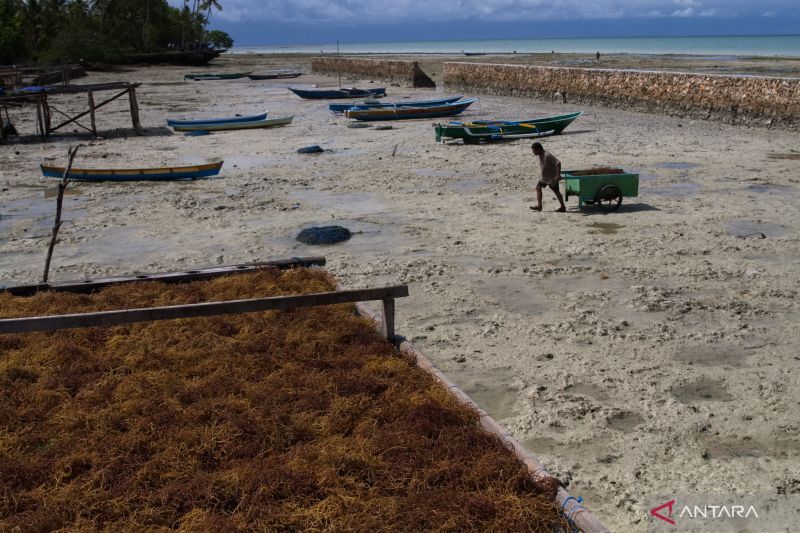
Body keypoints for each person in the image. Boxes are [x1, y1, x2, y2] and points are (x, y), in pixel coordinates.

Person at [530, 142, 566, 212]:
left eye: (534, 151)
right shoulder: (540, 154)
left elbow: (558, 163)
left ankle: (563, 207)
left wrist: (558, 174)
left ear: (539, 149)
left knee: (556, 191)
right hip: (544, 177)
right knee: (538, 188)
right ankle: (539, 206)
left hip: (552, 177)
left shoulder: (547, 155)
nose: (533, 153)